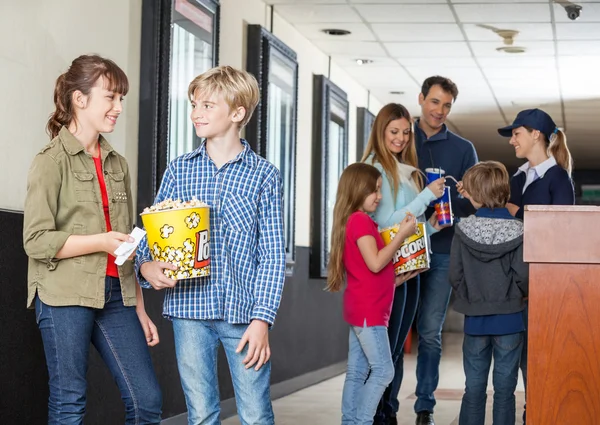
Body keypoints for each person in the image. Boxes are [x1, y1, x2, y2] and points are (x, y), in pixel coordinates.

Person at [135, 65, 286, 425]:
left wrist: (262, 319)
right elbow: (152, 231)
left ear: (237, 113)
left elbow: (272, 254)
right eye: (193, 105)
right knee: (201, 413)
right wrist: (145, 265)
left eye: (207, 105)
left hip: (244, 313)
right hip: (189, 310)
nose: (196, 113)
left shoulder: (264, 175)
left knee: (255, 412)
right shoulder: (179, 170)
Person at [23, 54, 162, 425]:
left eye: (121, 99)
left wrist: (139, 307)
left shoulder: (118, 163)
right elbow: (35, 241)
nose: (118, 108)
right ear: (79, 100)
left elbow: (126, 243)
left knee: (146, 400)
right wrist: (99, 241)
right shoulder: (50, 161)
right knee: (70, 401)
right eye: (110, 98)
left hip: (116, 294)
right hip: (62, 293)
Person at [361, 103, 446, 425]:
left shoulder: (403, 168)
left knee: (395, 352)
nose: (400, 138)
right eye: (393, 132)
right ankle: (377, 415)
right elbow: (386, 224)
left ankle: (388, 412)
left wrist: (432, 226)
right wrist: (425, 196)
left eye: (405, 133)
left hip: (411, 268)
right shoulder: (373, 169)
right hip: (388, 272)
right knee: (383, 356)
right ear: (380, 132)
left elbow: (410, 227)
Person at [496, 108, 574, 424]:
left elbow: (562, 234)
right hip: (511, 282)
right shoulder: (516, 178)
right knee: (514, 356)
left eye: (516, 133)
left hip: (543, 284)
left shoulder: (558, 179)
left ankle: (537, 410)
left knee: (539, 354)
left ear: (535, 135)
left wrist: (518, 213)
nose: (512, 140)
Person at [326, 162, 418, 425]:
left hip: (362, 308)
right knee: (383, 371)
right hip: (370, 313)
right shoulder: (361, 221)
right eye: (374, 190)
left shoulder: (353, 221)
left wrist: (397, 279)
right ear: (357, 190)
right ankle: (362, 421)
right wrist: (401, 234)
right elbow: (376, 262)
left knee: (357, 372)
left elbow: (370, 272)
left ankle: (351, 421)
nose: (379, 196)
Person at [413, 76, 479, 425]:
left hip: (441, 251)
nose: (440, 111)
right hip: (400, 248)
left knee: (429, 332)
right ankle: (386, 404)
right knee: (393, 330)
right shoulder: (400, 137)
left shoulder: (463, 149)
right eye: (435, 102)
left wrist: (462, 199)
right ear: (421, 98)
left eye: (447, 105)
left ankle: (425, 407)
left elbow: (473, 200)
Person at [450, 161, 529, 425]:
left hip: (475, 321)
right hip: (510, 319)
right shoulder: (519, 230)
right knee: (505, 392)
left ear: (478, 195)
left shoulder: (462, 231)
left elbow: (455, 275)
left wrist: (471, 298)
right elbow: (523, 277)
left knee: (473, 390)